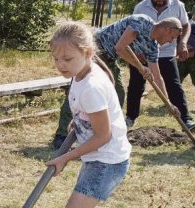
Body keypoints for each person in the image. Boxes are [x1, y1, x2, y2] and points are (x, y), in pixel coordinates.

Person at [33, 22, 132, 208]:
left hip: (106, 161)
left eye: (68, 59)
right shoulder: (83, 74)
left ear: (87, 53)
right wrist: (80, 121)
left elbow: (104, 135)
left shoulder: (91, 86)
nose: (61, 65)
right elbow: (95, 122)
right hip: (104, 158)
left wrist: (66, 157)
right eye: (56, 59)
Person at [52, 14, 183, 148]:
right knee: (80, 90)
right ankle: (61, 136)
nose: (170, 41)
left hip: (110, 59)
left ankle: (100, 133)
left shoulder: (153, 47)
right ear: (168, 29)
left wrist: (169, 103)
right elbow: (120, 47)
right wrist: (140, 67)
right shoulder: (142, 21)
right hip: (95, 52)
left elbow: (157, 77)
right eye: (172, 37)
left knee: (118, 94)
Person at [130, 0, 195, 132]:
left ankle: (186, 119)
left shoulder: (177, 5)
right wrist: (136, 50)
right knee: (136, 85)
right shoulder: (141, 7)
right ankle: (130, 117)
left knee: (174, 84)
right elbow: (131, 30)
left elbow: (186, 25)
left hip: (167, 52)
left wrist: (182, 43)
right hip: (142, 53)